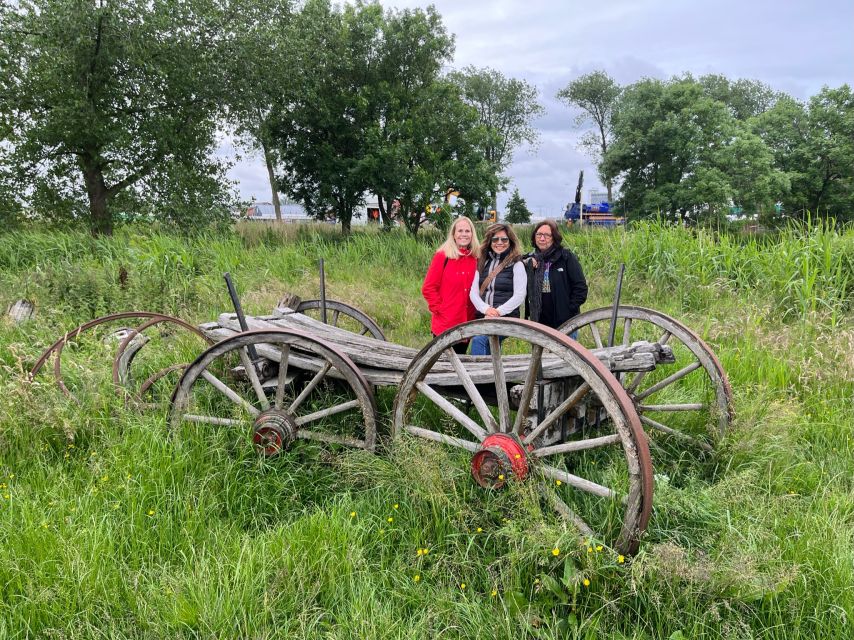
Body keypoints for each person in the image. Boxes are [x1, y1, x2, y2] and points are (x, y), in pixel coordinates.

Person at [421, 216, 480, 353]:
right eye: (460, 231)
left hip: (467, 320)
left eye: (467, 231)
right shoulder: (443, 256)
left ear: (472, 234)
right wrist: (441, 309)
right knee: (442, 364)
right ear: (453, 234)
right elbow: (428, 288)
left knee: (460, 360)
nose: (464, 234)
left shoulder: (475, 258)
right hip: (446, 322)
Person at [469, 223, 526, 355]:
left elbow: (519, 295)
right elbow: (473, 292)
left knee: (479, 340)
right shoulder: (482, 262)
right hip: (484, 315)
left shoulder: (516, 264)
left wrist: (497, 312)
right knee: (488, 344)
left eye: (504, 239)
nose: (499, 242)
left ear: (510, 241)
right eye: (495, 239)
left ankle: (477, 375)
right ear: (490, 241)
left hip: (506, 317)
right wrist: (486, 310)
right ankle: (492, 374)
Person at [525, 220, 588, 330]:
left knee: (565, 348)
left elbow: (580, 287)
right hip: (539, 320)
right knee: (540, 347)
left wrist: (568, 310)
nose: (542, 238)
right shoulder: (531, 258)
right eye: (539, 234)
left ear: (554, 237)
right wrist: (526, 262)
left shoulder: (566, 257)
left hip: (565, 321)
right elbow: (513, 261)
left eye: (547, 235)